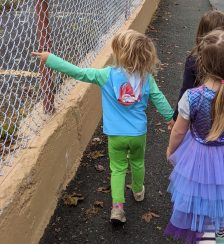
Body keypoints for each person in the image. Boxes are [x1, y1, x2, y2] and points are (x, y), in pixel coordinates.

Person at [32, 30, 174, 224]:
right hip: (138, 133)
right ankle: (138, 191)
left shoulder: (105, 75)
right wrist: (171, 118)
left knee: (117, 169)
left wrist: (51, 59)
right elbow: (159, 99)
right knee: (137, 162)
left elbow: (79, 73)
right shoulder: (146, 78)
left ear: (120, 53)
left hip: (115, 135)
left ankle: (117, 208)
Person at [165, 30, 224, 244]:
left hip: (198, 155)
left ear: (203, 65)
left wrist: (171, 150)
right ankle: (221, 234)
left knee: (201, 198)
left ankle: (204, 236)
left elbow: (178, 131)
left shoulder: (192, 97)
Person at [172, 10, 224, 121]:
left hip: (202, 113)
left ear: (202, 34)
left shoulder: (194, 59)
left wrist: (176, 117)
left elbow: (186, 88)